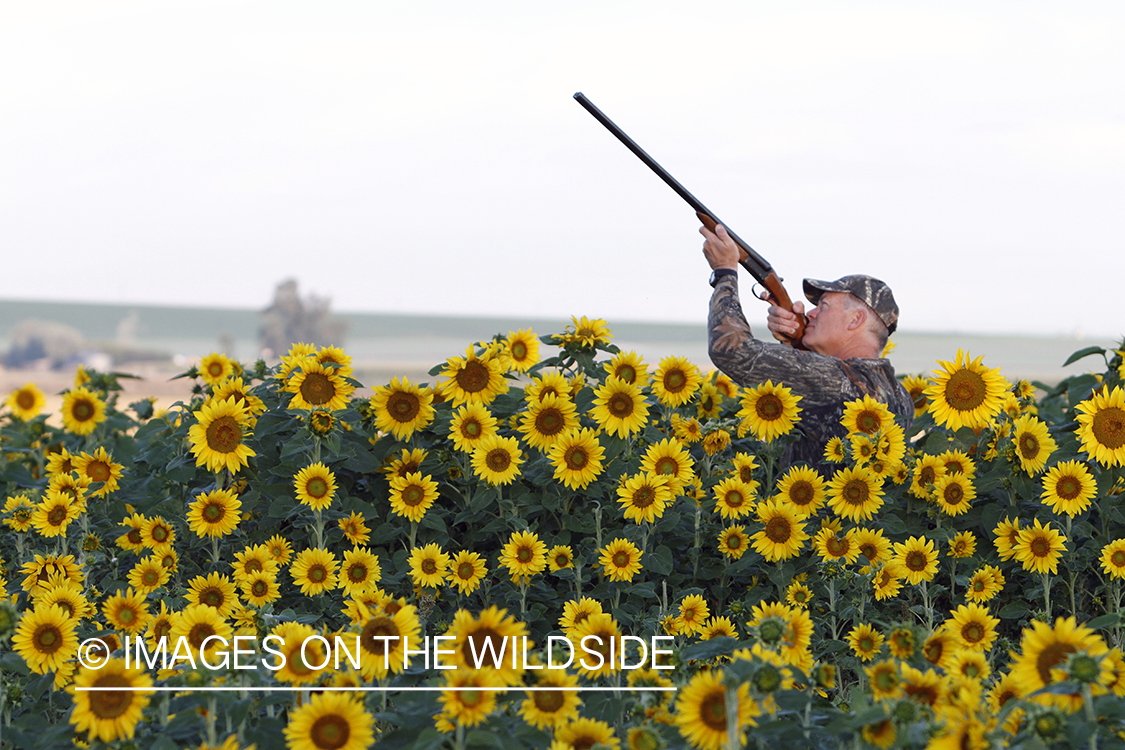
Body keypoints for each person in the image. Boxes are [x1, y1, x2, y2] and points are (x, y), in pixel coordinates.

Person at [701, 223, 914, 469]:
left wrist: (725, 272)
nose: (811, 313)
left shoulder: (834, 380)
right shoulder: (901, 395)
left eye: (823, 305)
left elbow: (731, 349)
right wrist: (797, 345)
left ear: (856, 319)